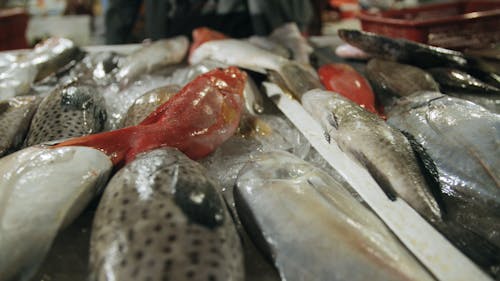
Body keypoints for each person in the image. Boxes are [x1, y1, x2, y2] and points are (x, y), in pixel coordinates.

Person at [105, 0, 324, 44]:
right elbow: (121, 6)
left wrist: (301, 24)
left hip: (253, 30)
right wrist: (116, 43)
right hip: (176, 31)